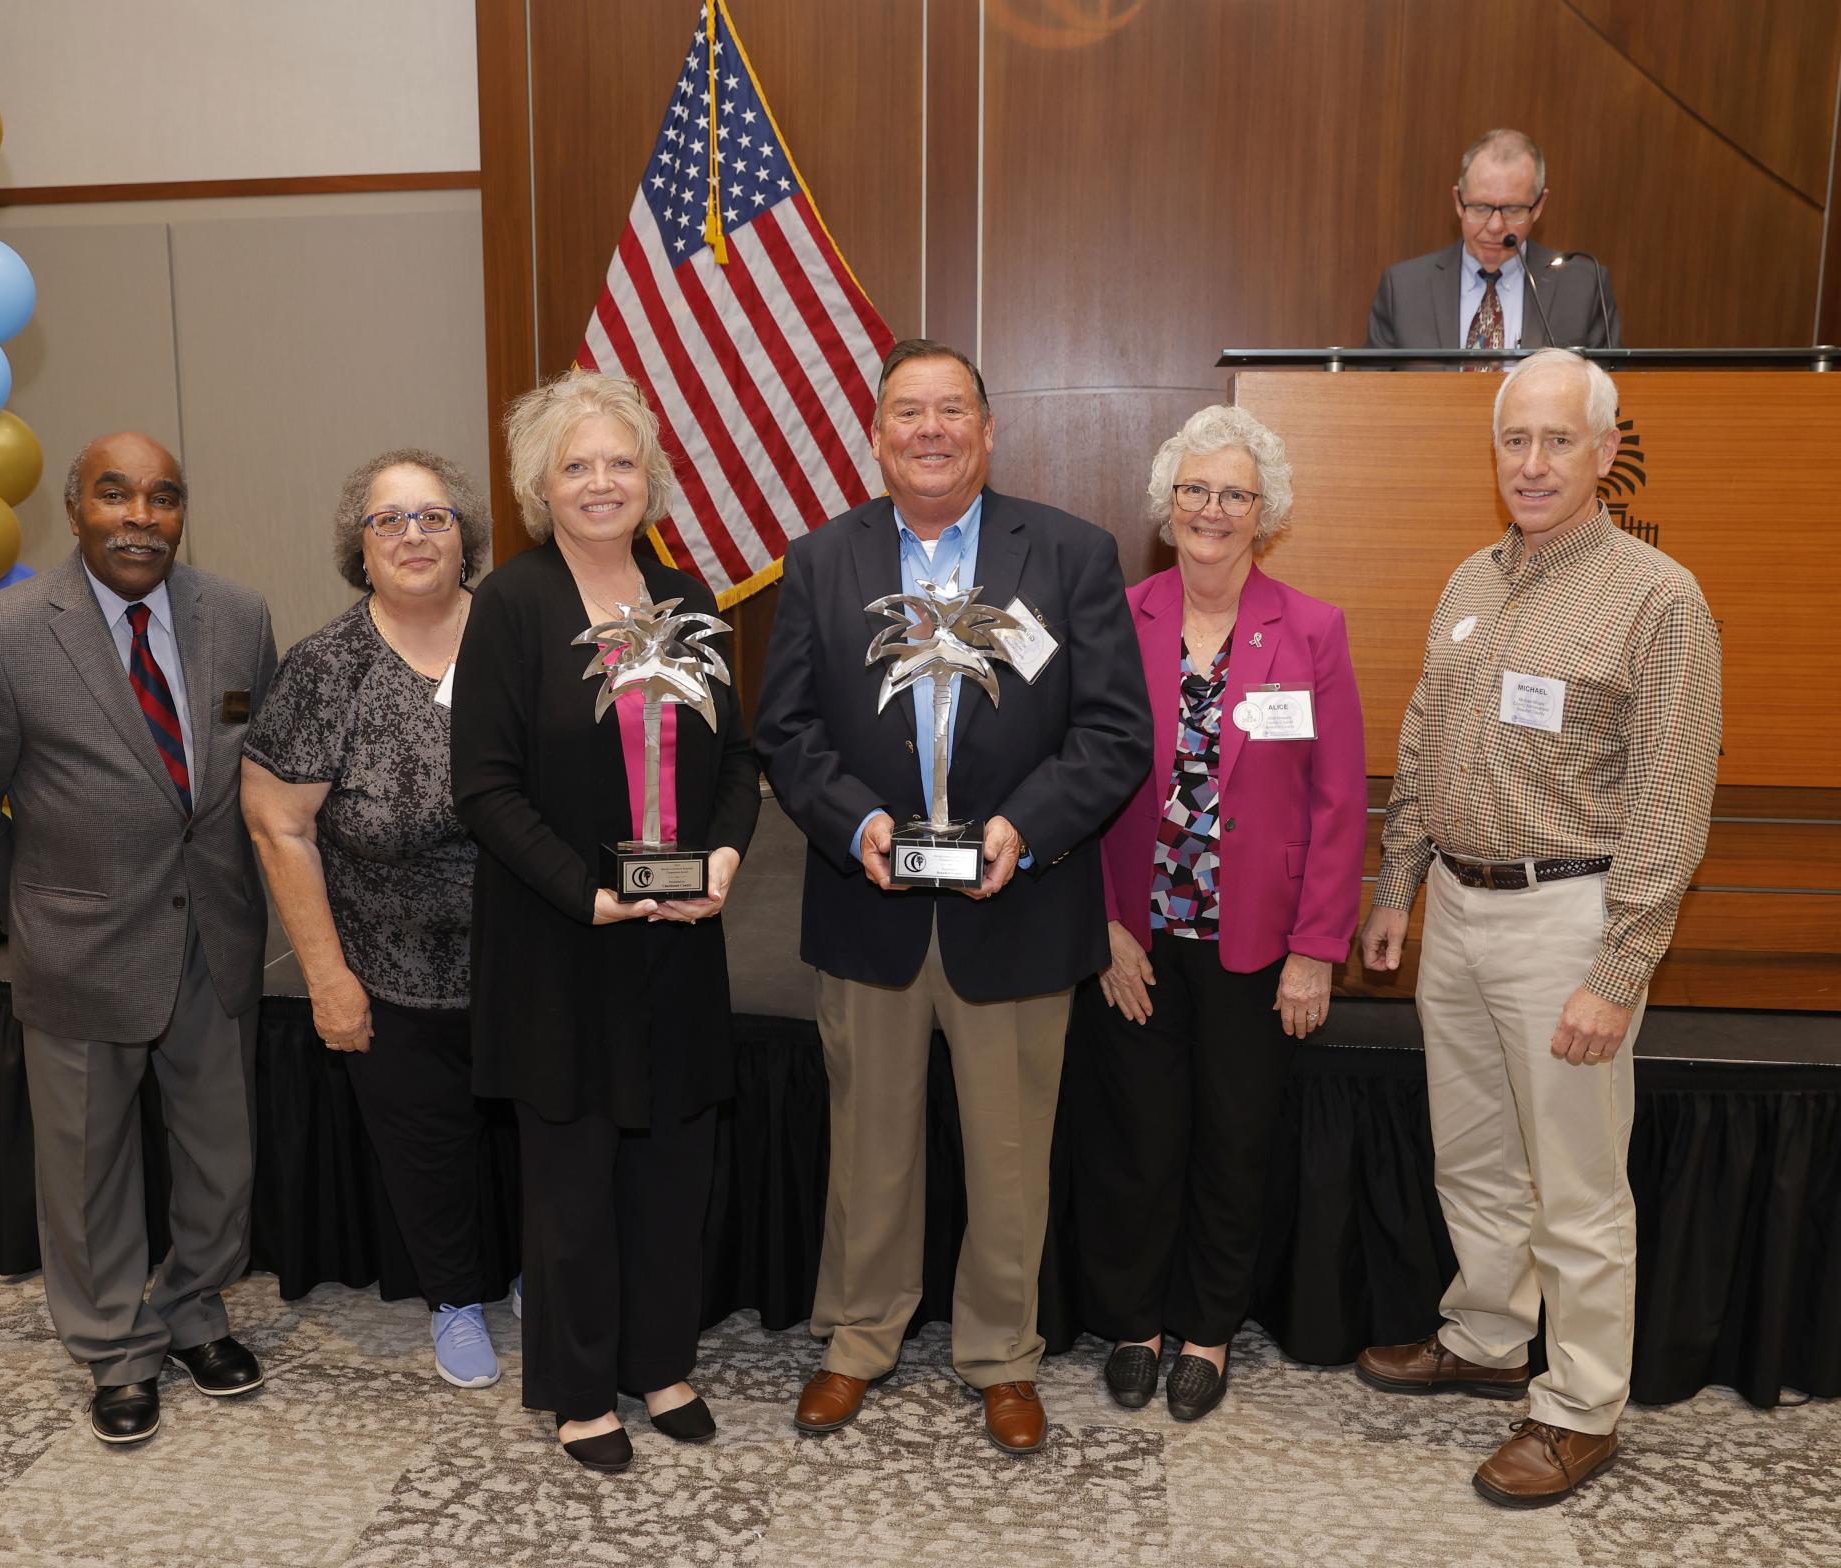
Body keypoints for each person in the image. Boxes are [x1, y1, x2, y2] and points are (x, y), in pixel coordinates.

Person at [754, 338, 1151, 1455]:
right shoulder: (820, 560)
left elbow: (1114, 732)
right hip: (869, 903)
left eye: (950, 411)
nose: (929, 430)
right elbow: (784, 730)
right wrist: (855, 822)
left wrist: (1023, 829)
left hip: (1015, 906)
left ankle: (1000, 1354)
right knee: (865, 1145)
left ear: (986, 429)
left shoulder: (1069, 554)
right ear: (874, 434)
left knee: (1009, 1153)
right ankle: (856, 1340)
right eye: (905, 412)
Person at [1355, 348, 1721, 1506]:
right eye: (1513, 439)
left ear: (1605, 454)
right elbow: (1421, 749)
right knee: (1471, 1155)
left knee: (1574, 1182)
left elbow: (1670, 795)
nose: (1530, 461)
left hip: (1569, 916)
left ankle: (1577, 1406)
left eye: (1557, 440)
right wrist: (1391, 887)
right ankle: (1481, 1332)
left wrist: (1617, 968)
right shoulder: (1469, 580)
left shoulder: (1657, 599)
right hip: (1455, 911)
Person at [0, 432, 277, 1445]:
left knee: (222, 1155)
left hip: (213, 929)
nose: (139, 516)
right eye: (114, 494)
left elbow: (262, 768)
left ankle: (196, 1309)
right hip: (78, 940)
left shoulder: (239, 617)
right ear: (74, 508)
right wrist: (32, 900)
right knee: (86, 1167)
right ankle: (116, 1344)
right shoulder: (1, 635)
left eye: (163, 497)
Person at [451, 370, 759, 1474]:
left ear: (650, 479)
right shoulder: (512, 603)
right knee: (573, 1177)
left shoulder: (690, 598)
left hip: (680, 930)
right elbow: (482, 786)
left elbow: (739, 763)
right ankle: (582, 1386)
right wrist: (585, 891)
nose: (599, 481)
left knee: (674, 1162)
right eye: (575, 464)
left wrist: (722, 856)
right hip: (561, 937)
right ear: (541, 484)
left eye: (618, 462)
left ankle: (660, 1359)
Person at [1075, 406, 1366, 1422]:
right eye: (1194, 490)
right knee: (1138, 1138)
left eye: (1233, 493)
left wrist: (1314, 950)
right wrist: (1102, 923)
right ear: (1166, 504)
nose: (1211, 509)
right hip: (1136, 940)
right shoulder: (1115, 616)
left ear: (1264, 513)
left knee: (1234, 1139)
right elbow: (1077, 784)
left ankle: (1205, 1328)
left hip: (1255, 945)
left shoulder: (1312, 628)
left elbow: (1337, 803)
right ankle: (1134, 1321)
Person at [241, 449, 498, 1389]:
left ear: (464, 531)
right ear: (361, 545)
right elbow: (278, 824)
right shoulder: (327, 667)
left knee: (545, 1135)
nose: (414, 535)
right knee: (427, 1148)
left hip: (536, 960)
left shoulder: (521, 632)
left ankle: (556, 1283)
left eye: (432, 515)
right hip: (391, 967)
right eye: (389, 520)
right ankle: (456, 1301)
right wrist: (326, 977)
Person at [1366, 128, 1620, 352]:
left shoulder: (1582, 288)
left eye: (1512, 210)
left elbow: (1606, 395)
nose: (1496, 226)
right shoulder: (1403, 289)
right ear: (1458, 202)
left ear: (1539, 206)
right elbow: (1372, 396)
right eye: (1480, 207)